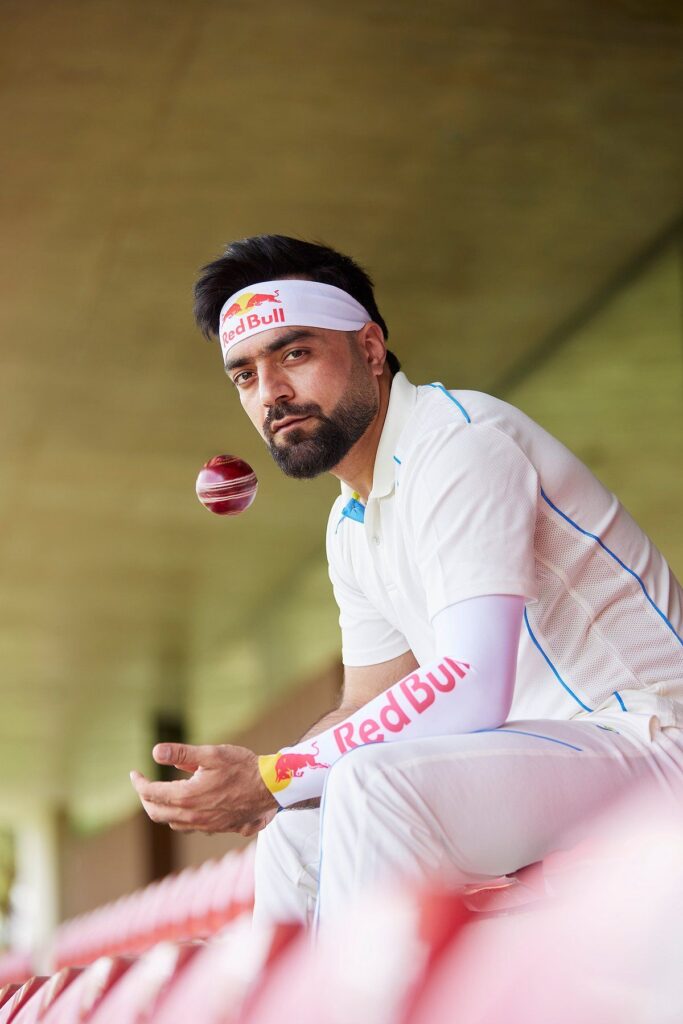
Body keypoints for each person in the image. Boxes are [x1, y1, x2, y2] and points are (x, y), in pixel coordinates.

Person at [131, 235, 683, 929]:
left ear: (369, 348)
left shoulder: (458, 445)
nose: (271, 394)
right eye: (245, 375)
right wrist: (274, 782)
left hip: (651, 745)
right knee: (297, 828)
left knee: (368, 783)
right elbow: (366, 705)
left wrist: (274, 775)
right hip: (544, 764)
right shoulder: (349, 522)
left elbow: (472, 683)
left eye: (294, 354)